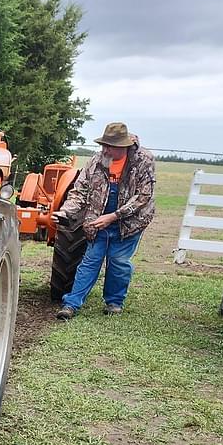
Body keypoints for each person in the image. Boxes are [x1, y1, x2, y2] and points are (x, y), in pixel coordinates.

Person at [53, 122, 155, 318]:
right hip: (98, 218)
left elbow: (143, 196)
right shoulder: (97, 161)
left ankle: (114, 302)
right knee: (91, 260)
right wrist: (65, 212)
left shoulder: (143, 161)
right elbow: (80, 192)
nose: (105, 149)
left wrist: (114, 216)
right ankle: (71, 304)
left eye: (110, 146)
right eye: (103, 145)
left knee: (118, 260)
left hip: (130, 221)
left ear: (123, 146)